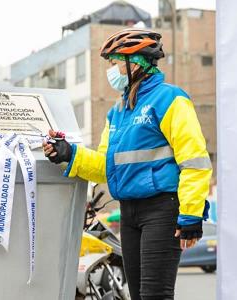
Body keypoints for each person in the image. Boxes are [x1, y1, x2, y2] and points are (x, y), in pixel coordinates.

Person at [43, 28, 212, 300]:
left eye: (114, 62)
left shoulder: (170, 98)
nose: (110, 69)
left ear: (136, 63)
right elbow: (106, 167)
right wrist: (69, 153)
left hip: (162, 208)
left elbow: (195, 159)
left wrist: (191, 214)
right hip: (129, 212)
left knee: (154, 295)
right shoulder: (117, 112)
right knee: (137, 295)